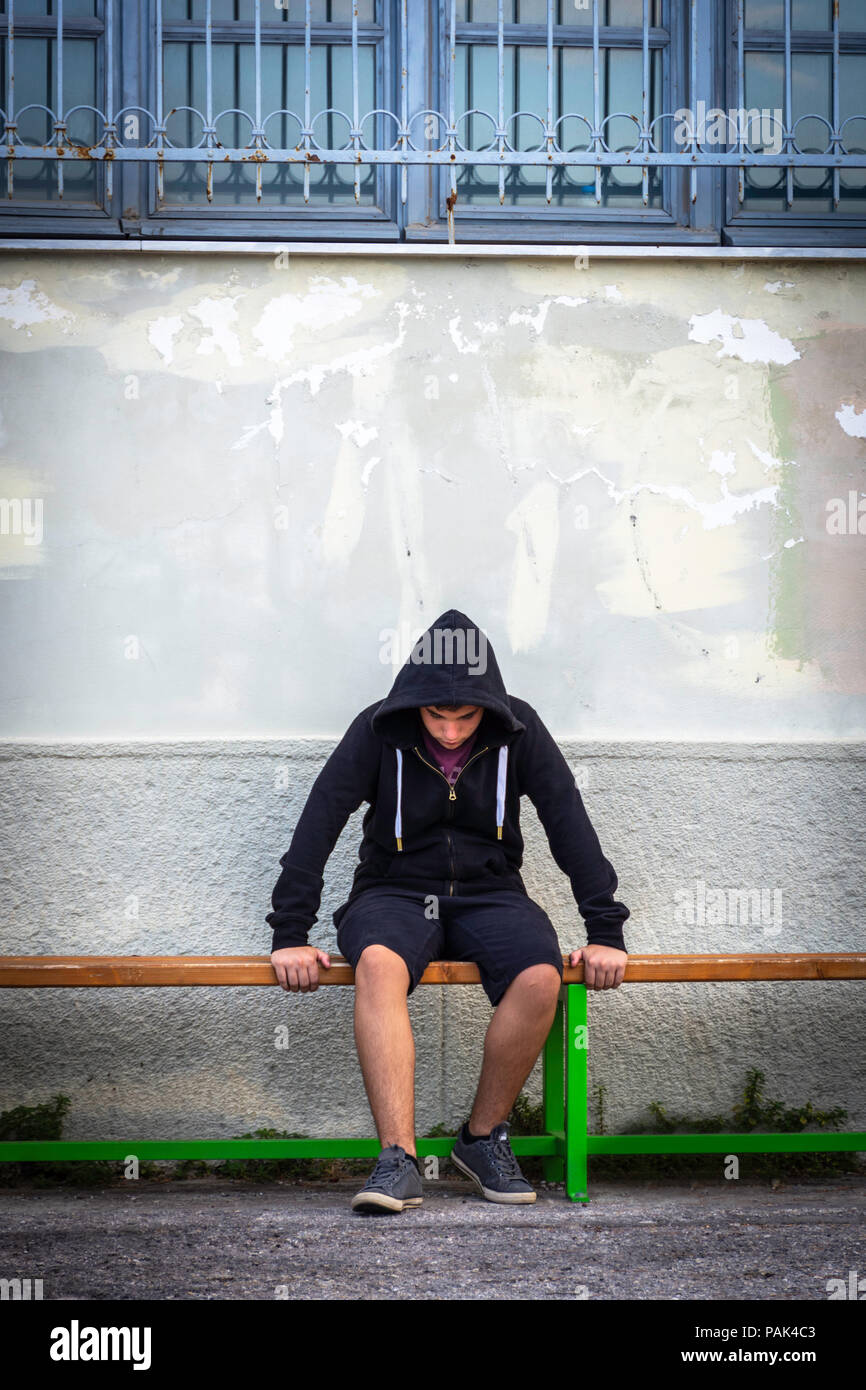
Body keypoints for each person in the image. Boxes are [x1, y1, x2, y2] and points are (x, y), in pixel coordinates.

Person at [267, 608, 629, 1214]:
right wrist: (289, 932)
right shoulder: (380, 729)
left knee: (541, 978)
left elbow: (569, 822)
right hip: (393, 891)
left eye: (466, 717)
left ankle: (481, 1140)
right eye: (438, 715)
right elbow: (320, 819)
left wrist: (605, 930)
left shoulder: (519, 729)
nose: (453, 732)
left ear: (489, 704)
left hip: (491, 894)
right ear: (416, 701)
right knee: (378, 965)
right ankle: (397, 1160)